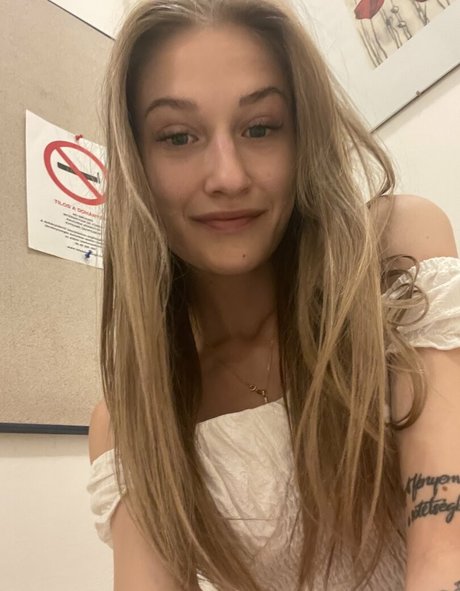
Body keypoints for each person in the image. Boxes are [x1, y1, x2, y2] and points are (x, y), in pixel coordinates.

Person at [86, 0, 460, 589]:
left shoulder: (393, 257)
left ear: (302, 135)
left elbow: (445, 550)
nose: (228, 176)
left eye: (259, 127)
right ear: (136, 161)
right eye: (178, 136)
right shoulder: (133, 419)